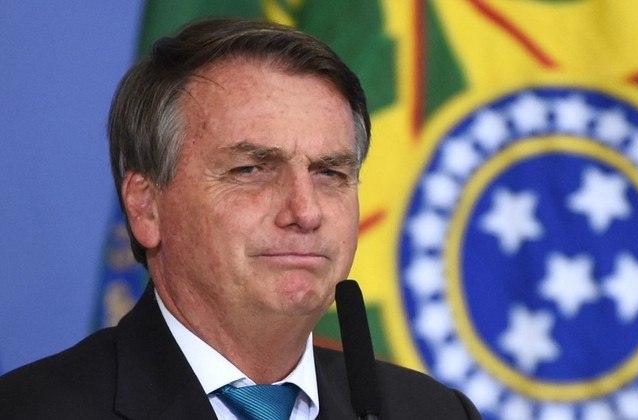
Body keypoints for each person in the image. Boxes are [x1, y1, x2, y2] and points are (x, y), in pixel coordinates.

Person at [0, 18, 481, 420]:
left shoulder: (432, 412)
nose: (306, 211)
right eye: (251, 170)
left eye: (329, 172)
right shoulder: (31, 410)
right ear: (146, 208)